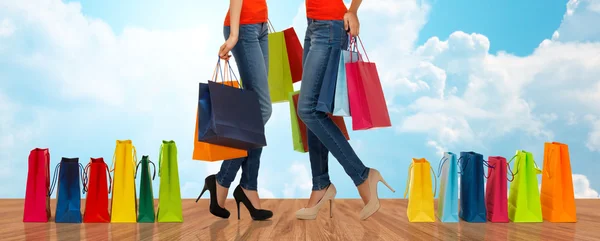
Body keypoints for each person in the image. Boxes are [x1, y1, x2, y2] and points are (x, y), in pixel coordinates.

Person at [295, 0, 395, 220]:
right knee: (314, 111)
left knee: (308, 109)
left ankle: (362, 175)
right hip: (313, 26)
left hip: (330, 27)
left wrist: (353, 10)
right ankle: (320, 184)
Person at [197, 0, 272, 221]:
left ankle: (245, 185)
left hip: (260, 24)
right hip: (244, 26)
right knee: (261, 110)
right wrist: (234, 35)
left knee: (254, 111)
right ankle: (226, 179)